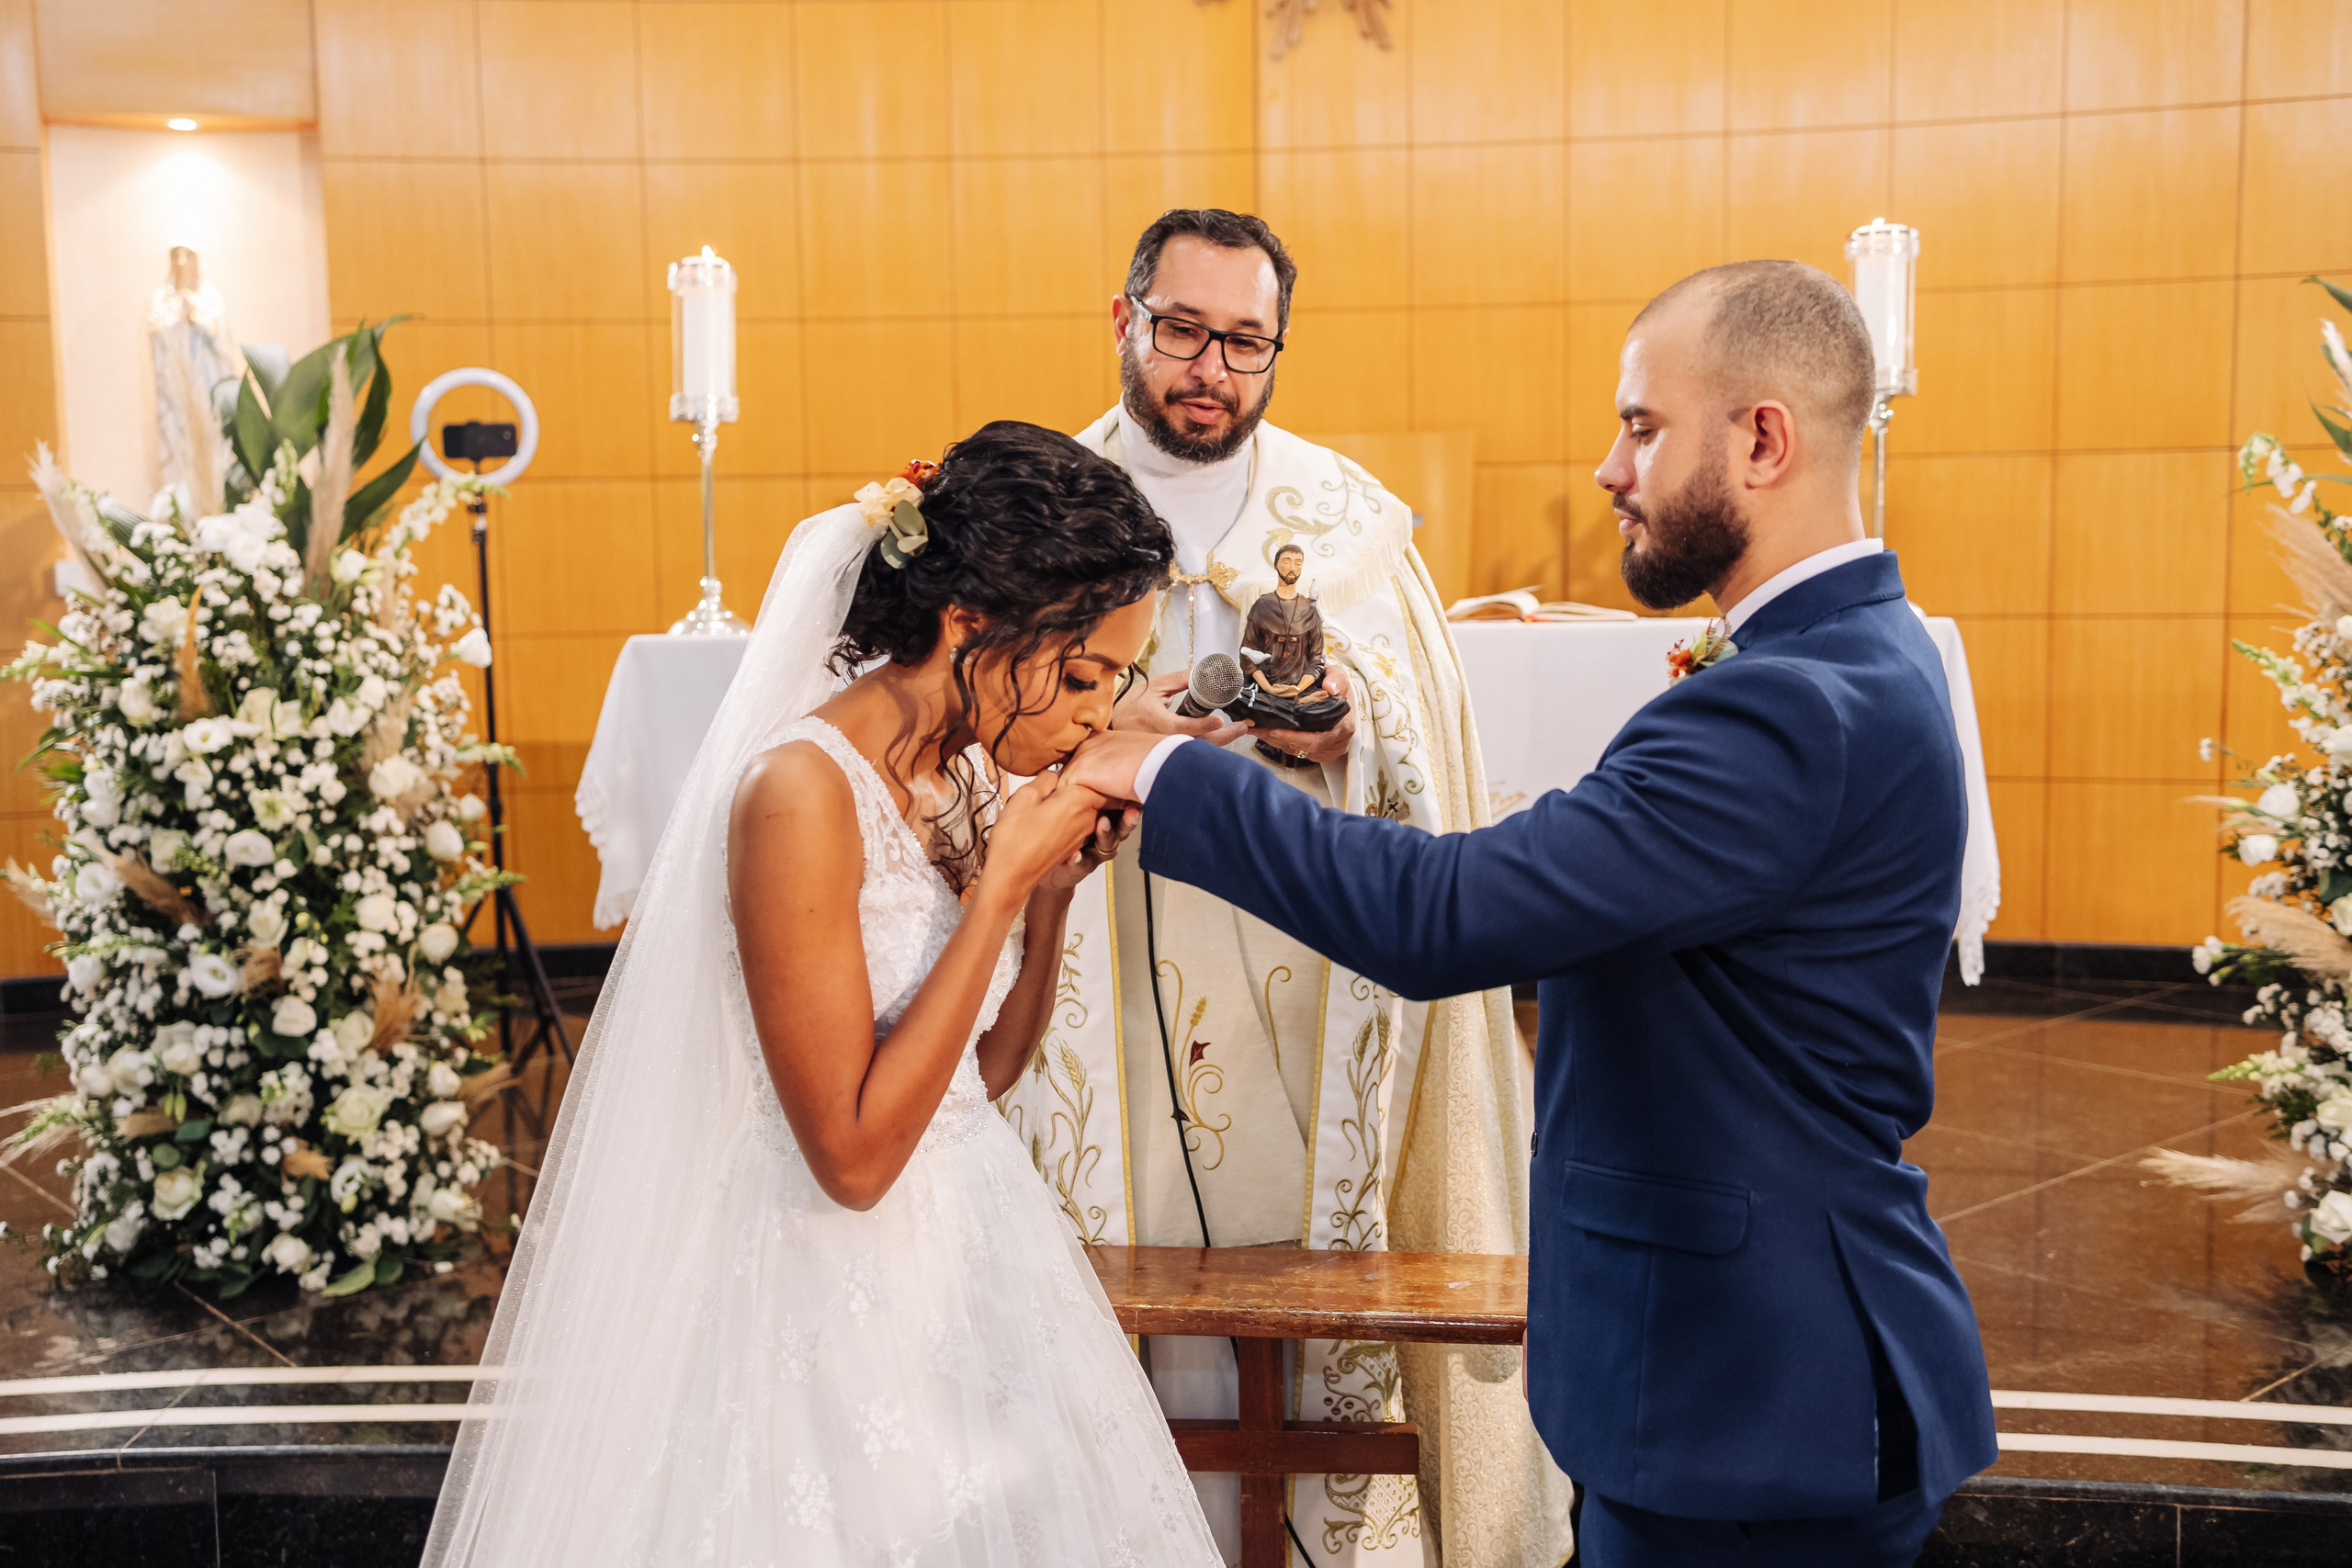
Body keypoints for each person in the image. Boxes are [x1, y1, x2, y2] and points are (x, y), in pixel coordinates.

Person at [1066, 261, 2001, 1567]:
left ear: (1764, 438)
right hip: (1747, 1365)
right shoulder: (1848, 658)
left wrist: (1160, 768)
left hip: (1750, 1390)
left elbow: (1444, 913)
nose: (1612, 470)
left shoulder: (1787, 707)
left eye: (1641, 425)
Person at [421, 423, 1223, 1567]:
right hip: (819, 1285)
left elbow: (975, 1079)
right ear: (969, 627)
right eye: (1086, 674)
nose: (1100, 715)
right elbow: (849, 1157)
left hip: (969, 1257)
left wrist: (1046, 901)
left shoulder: (954, 768)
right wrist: (996, 890)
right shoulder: (797, 792)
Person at [989, 208, 1572, 1564]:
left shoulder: (1354, 531)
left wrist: (1343, 730)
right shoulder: (1036, 507)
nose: (1212, 368)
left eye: (1246, 342)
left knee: (1308, 1258)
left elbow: (1425, 752)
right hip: (1088, 971)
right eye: (1184, 330)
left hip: (1305, 986)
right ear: (1124, 320)